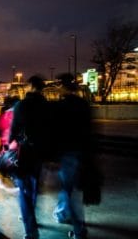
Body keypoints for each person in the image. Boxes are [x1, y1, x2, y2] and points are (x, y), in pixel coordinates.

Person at [52, 73, 93, 239]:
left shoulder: (61, 106)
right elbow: (89, 130)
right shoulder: (83, 104)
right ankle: (62, 213)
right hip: (81, 151)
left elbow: (55, 132)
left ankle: (78, 230)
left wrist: (53, 155)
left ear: (63, 86)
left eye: (59, 85)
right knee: (69, 188)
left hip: (66, 152)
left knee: (70, 191)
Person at [9, 75, 48, 239]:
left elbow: (14, 128)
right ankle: (30, 217)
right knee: (33, 185)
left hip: (25, 151)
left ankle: (31, 230)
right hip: (41, 152)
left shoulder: (22, 105)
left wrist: (8, 145)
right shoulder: (47, 106)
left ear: (31, 86)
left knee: (24, 190)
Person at [0, 96, 20, 191]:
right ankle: (17, 181)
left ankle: (11, 178)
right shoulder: (20, 114)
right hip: (16, 143)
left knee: (5, 161)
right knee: (15, 161)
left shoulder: (5, 114)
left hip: (6, 143)